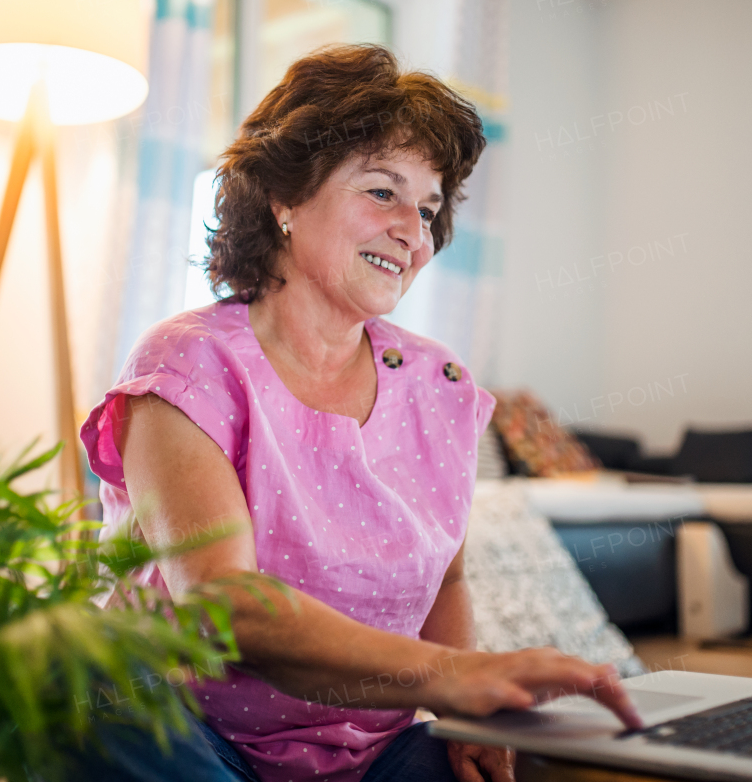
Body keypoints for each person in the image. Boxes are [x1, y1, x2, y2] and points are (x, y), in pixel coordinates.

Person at [79, 44, 641, 782]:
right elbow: (225, 607)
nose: (415, 230)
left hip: (371, 749)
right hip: (186, 731)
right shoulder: (186, 365)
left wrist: (463, 713)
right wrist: (446, 675)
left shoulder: (441, 384)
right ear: (285, 197)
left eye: (430, 208)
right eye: (383, 191)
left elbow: (448, 581)